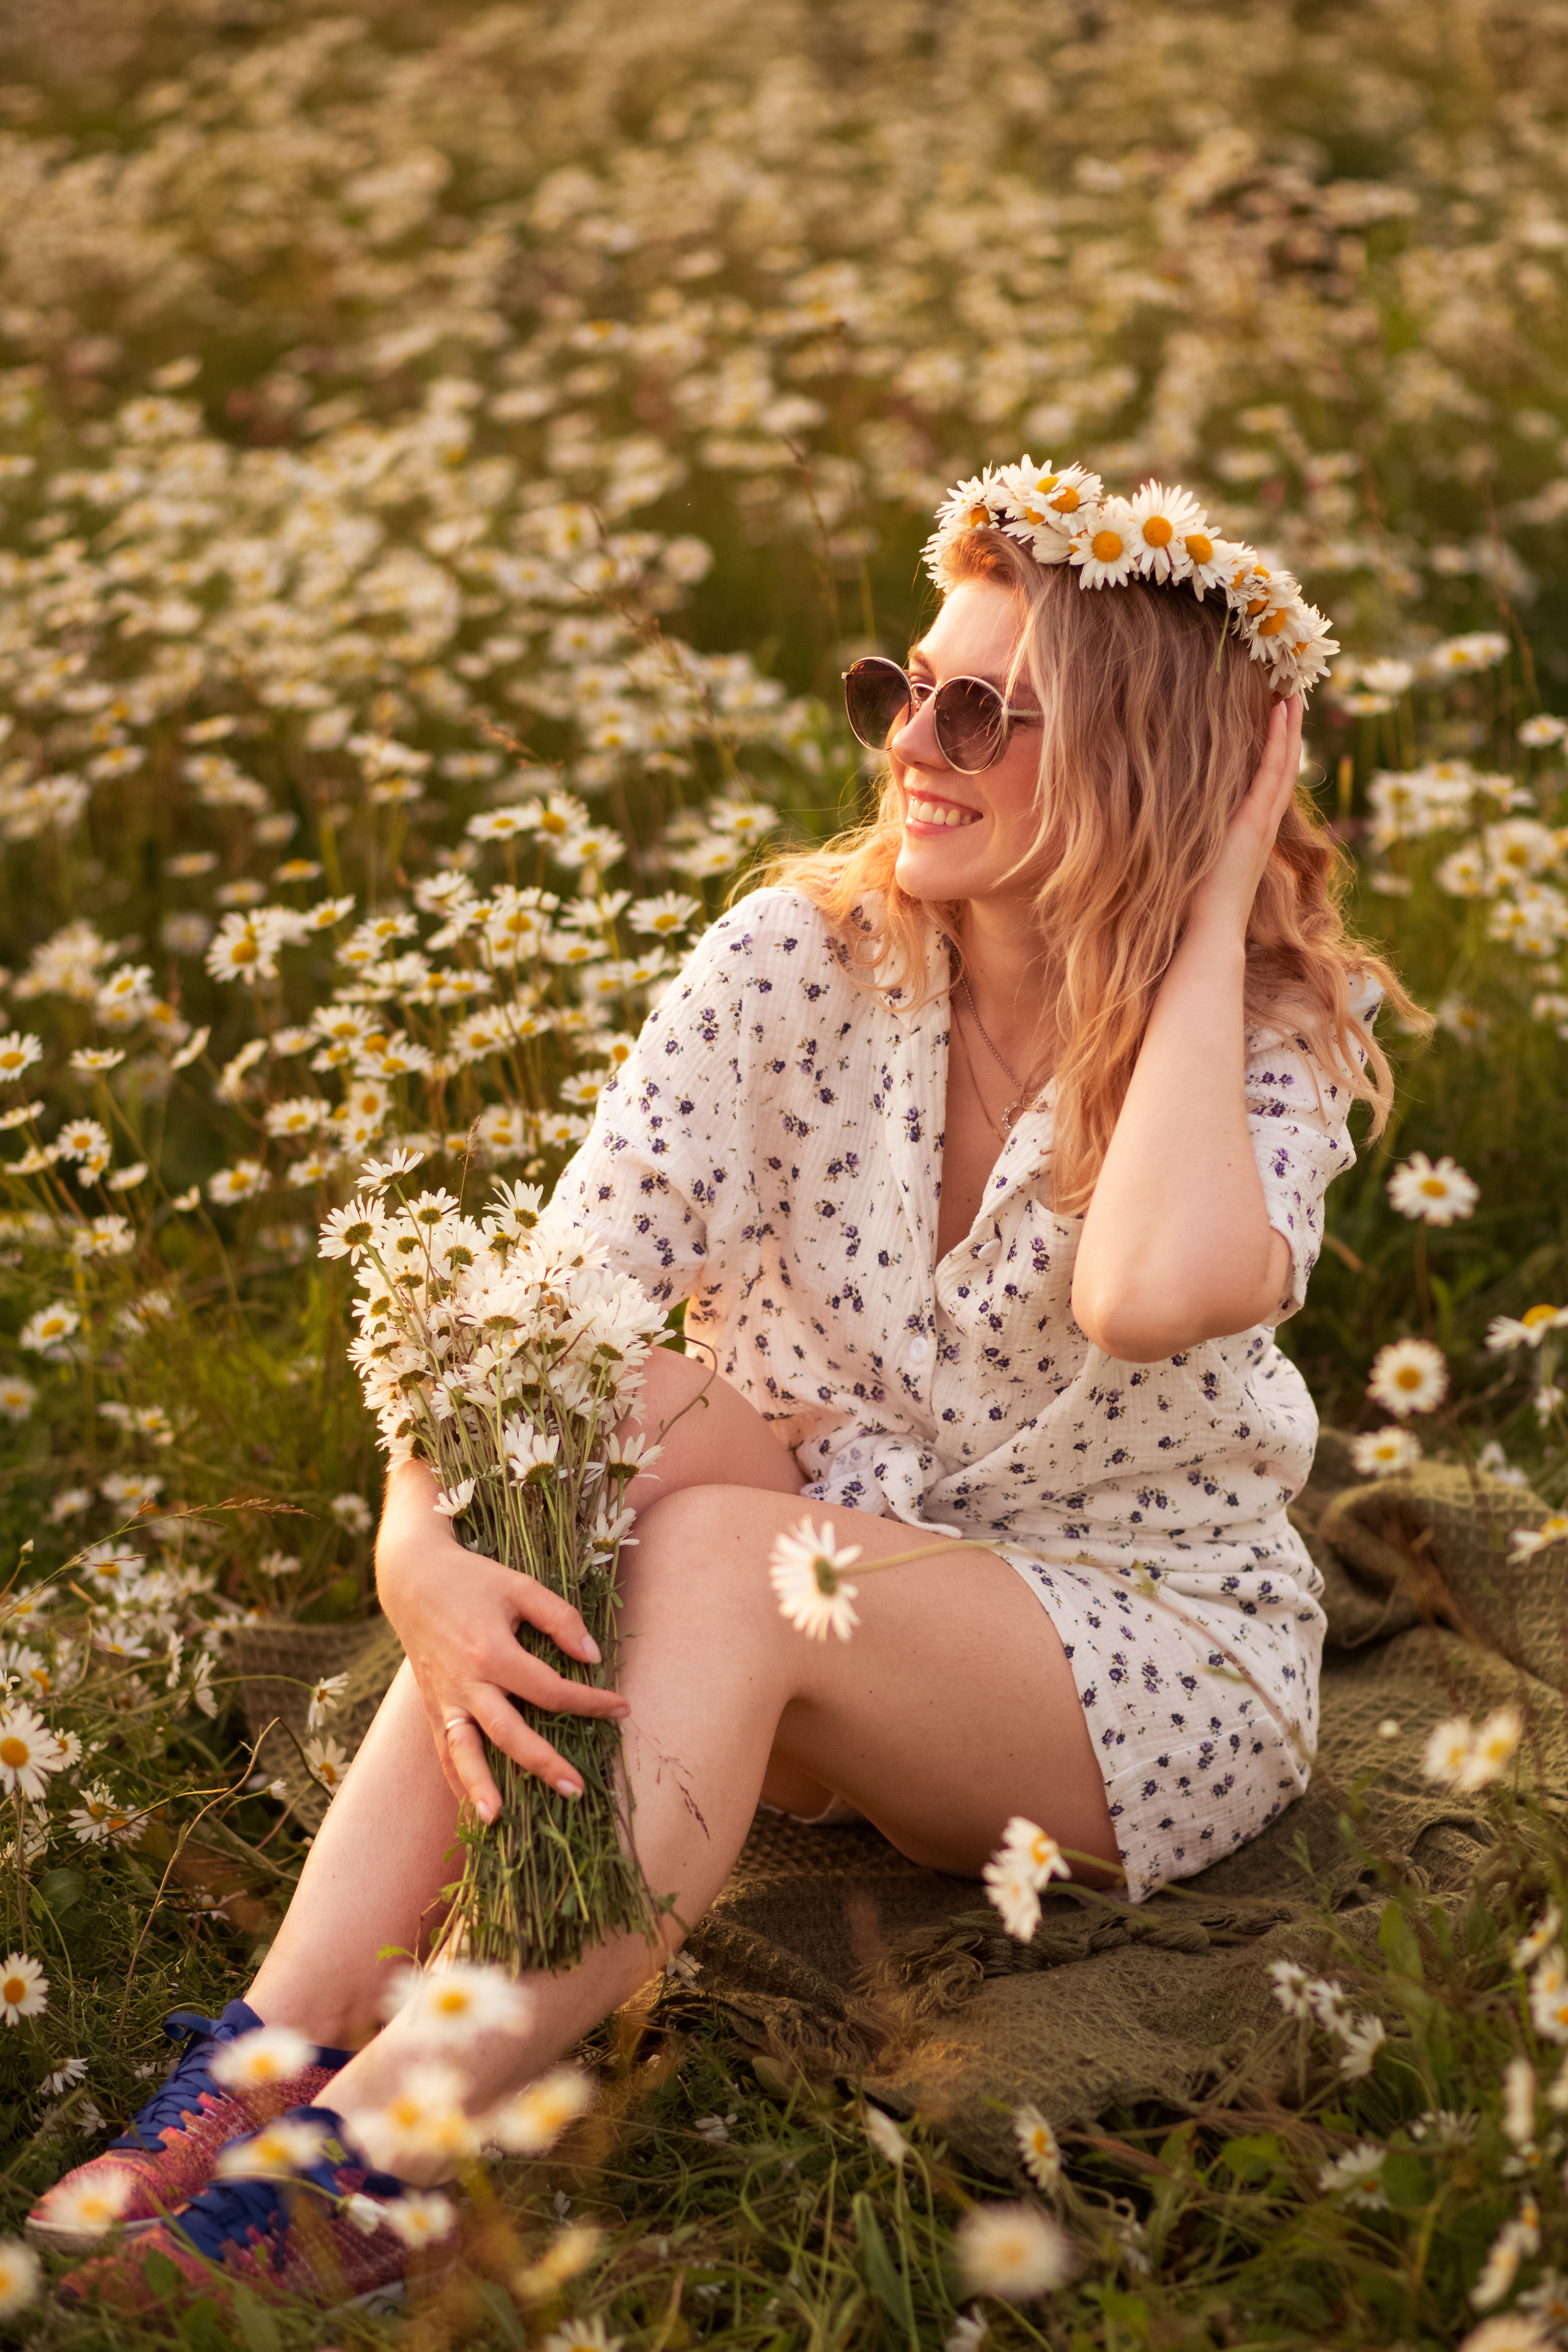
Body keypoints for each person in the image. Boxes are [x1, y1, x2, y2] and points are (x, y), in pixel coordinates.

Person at [39, 458, 1421, 2304]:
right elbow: (544, 1318)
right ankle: (265, 2063)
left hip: (1136, 1655)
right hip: (838, 1553)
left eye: (985, 713)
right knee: (617, 1423)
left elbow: (1154, 1284)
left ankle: (377, 2168)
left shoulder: (1265, 1052)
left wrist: (1217, 895)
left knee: (725, 1557)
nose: (912, 744)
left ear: (1141, 766)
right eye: (901, 690)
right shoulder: (798, 959)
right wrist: (411, 1555)